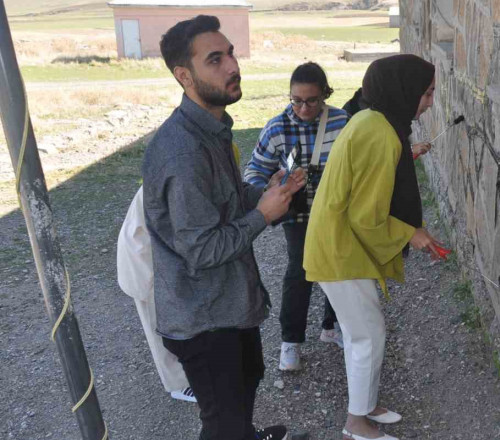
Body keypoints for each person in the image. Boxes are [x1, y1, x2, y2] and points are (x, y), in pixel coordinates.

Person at [141, 15, 307, 440]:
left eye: (231, 53)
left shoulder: (214, 129)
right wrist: (265, 214)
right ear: (185, 75)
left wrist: (268, 194)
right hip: (203, 319)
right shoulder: (182, 152)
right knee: (223, 424)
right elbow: (203, 250)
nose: (233, 66)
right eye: (215, 59)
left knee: (247, 382)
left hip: (231, 306)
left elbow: (226, 205)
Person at [304, 54, 443, 440]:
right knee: (368, 333)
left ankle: (365, 404)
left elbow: (367, 178)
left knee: (360, 331)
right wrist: (412, 234)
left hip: (338, 242)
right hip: (340, 248)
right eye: (427, 93)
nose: (430, 102)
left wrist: (404, 159)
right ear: (404, 90)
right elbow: (367, 218)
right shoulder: (380, 132)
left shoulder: (372, 120)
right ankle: (356, 423)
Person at [244, 62, 349, 371]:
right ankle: (290, 343)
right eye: (296, 100)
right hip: (298, 214)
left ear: (325, 95)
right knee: (299, 273)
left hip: (335, 212)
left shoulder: (343, 122)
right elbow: (254, 172)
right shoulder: (276, 128)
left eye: (311, 101)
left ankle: (331, 327)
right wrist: (271, 185)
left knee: (338, 268)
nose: (303, 108)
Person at [117, 187, 196, 404]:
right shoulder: (174, 178)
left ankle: (188, 371)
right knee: (158, 326)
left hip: (158, 258)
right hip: (145, 262)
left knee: (175, 321)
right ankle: (178, 385)